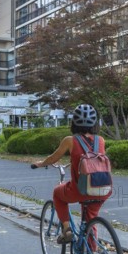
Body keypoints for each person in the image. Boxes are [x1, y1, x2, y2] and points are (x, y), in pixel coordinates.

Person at [31, 104, 112, 244]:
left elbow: (53, 158)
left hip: (79, 190)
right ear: (94, 123)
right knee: (90, 219)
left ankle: (67, 230)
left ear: (73, 122)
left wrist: (40, 164)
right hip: (102, 189)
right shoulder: (101, 140)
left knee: (57, 193)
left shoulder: (70, 141)